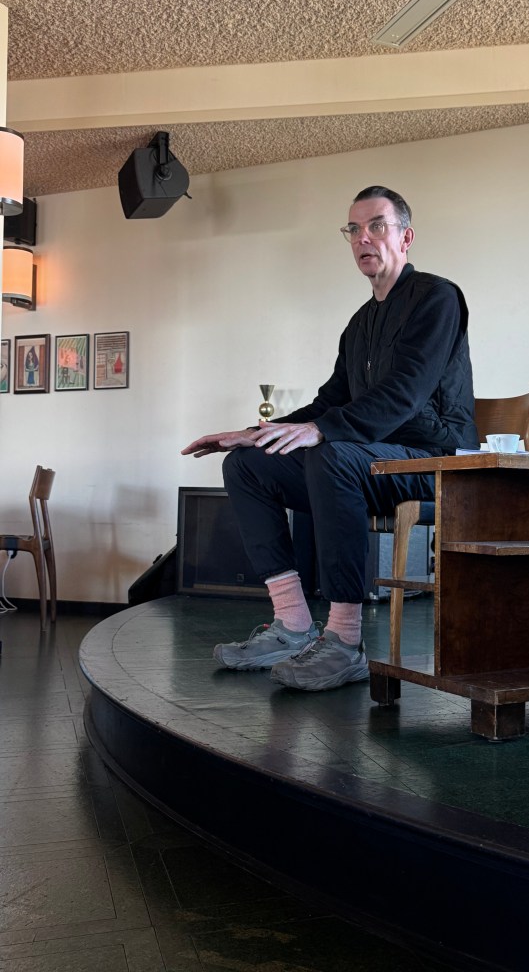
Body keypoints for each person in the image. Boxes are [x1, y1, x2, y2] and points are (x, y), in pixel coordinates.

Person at [182, 185, 479, 691]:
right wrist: (254, 434)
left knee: (332, 455)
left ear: (405, 237)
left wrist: (321, 431)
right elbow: (329, 402)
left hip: (432, 461)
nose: (364, 237)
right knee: (247, 466)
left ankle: (344, 642)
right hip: (369, 460)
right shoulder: (359, 324)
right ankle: (293, 626)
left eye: (377, 225)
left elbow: (404, 394)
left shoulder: (437, 297)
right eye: (354, 229)